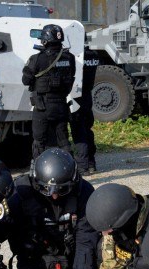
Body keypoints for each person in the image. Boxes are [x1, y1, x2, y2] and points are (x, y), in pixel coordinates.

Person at [0, 148, 100, 269]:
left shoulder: (84, 192)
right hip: (35, 260)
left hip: (75, 253)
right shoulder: (19, 193)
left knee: (102, 248)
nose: (54, 196)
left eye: (61, 190)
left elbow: (86, 241)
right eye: (47, 189)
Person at [22, 24, 76, 158]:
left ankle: (37, 167)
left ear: (45, 40)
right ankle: (69, 164)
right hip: (61, 105)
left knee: (39, 141)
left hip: (43, 106)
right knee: (63, 140)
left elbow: (26, 80)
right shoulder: (69, 58)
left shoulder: (37, 58)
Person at [70, 43, 99, 175]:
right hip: (87, 96)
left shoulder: (76, 56)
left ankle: (82, 166)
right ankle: (91, 163)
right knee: (87, 130)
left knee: (79, 132)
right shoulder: (93, 55)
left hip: (77, 96)